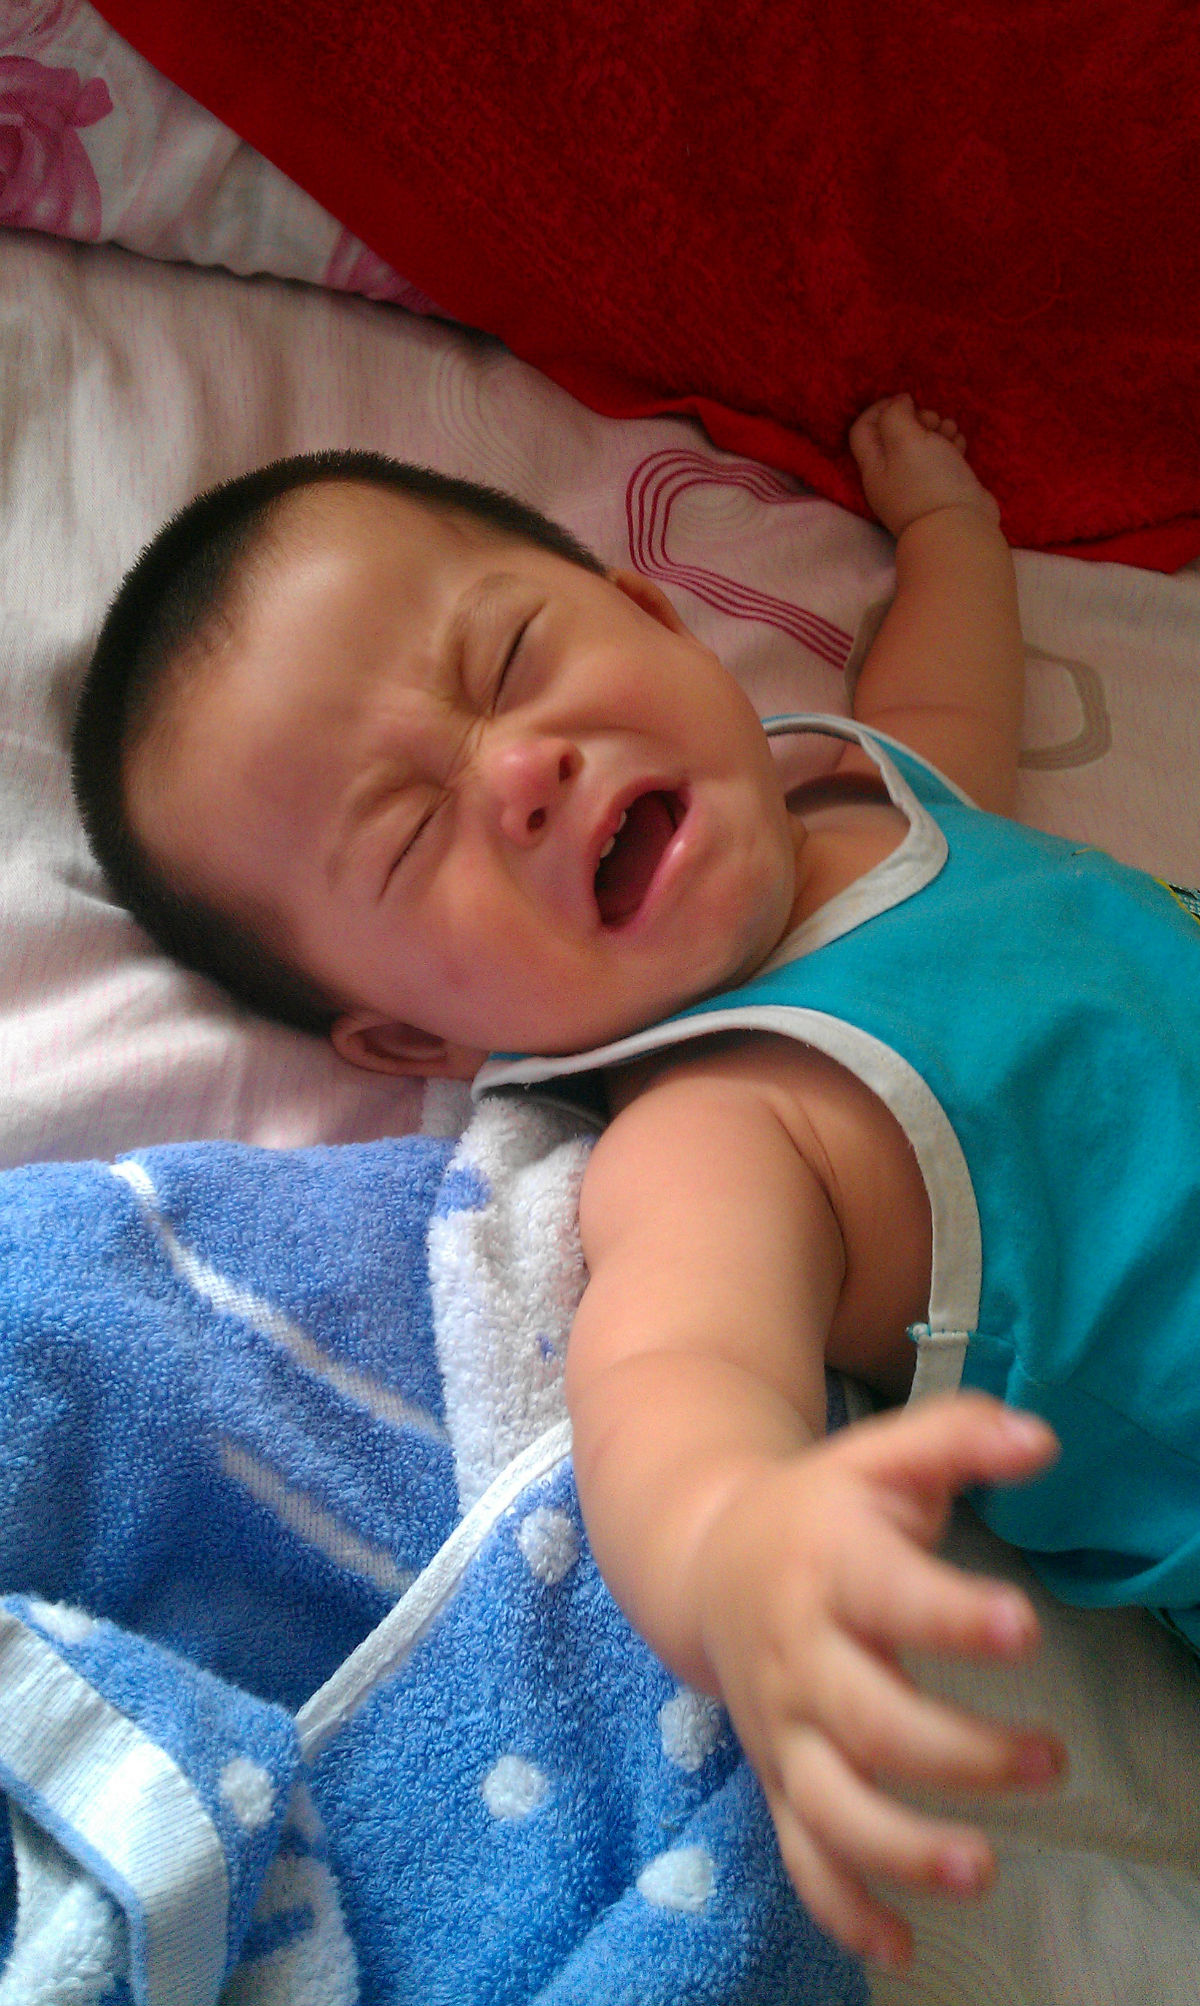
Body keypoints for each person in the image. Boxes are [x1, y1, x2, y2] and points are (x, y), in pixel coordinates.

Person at [71, 395, 1200, 1972]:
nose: (520, 771)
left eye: (511, 660)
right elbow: (674, 1379)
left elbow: (949, 689)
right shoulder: (725, 1124)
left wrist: (950, 532)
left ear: (654, 615)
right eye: (410, 837)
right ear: (422, 1036)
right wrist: (740, 1548)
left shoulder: (878, 794)